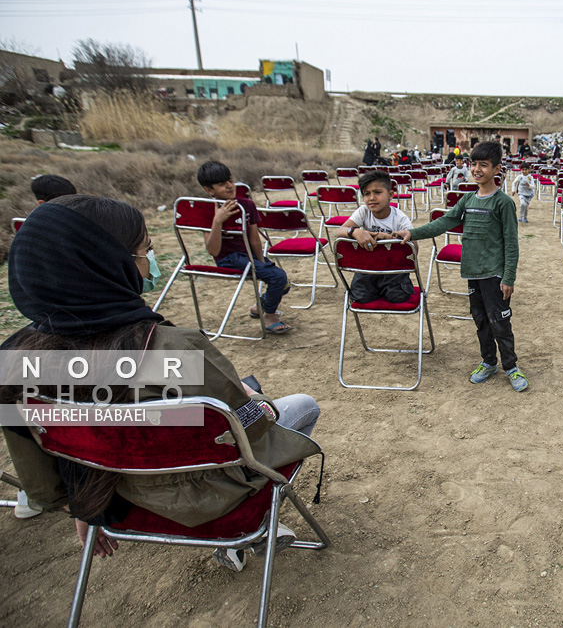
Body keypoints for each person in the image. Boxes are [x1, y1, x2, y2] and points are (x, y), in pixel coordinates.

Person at [1, 195, 322, 571]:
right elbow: (254, 430)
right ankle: (259, 525)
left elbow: (42, 487)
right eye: (145, 251)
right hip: (209, 503)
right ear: (108, 264)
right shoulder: (172, 352)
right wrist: (256, 400)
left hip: (116, 505)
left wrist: (86, 508)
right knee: (302, 405)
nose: (148, 262)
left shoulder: (15, 361)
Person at [393, 141, 527, 392]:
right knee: (480, 320)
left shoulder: (503, 202)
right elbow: (444, 222)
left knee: (500, 321)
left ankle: (511, 366)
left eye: (483, 165)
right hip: (473, 272)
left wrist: (509, 277)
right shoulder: (467, 199)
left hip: (494, 274)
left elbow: (511, 243)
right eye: (473, 164)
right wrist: (412, 233)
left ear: (497, 169)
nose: (476, 169)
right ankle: (488, 362)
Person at [198, 161, 291, 334]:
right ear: (209, 190)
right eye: (221, 184)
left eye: (230, 181)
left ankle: (259, 306)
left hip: (249, 256)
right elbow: (213, 251)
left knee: (283, 282)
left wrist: (261, 262)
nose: (229, 186)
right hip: (228, 259)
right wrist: (218, 221)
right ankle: (269, 315)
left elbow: (254, 239)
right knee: (279, 277)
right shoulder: (207, 210)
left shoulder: (246, 205)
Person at [335, 171, 414, 303]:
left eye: (377, 192)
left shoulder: (400, 219)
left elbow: (414, 249)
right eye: (367, 193)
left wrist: (390, 239)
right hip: (367, 268)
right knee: (360, 297)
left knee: (398, 298)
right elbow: (340, 231)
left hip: (393, 270)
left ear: (390, 195)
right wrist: (355, 232)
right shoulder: (363, 212)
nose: (371, 198)